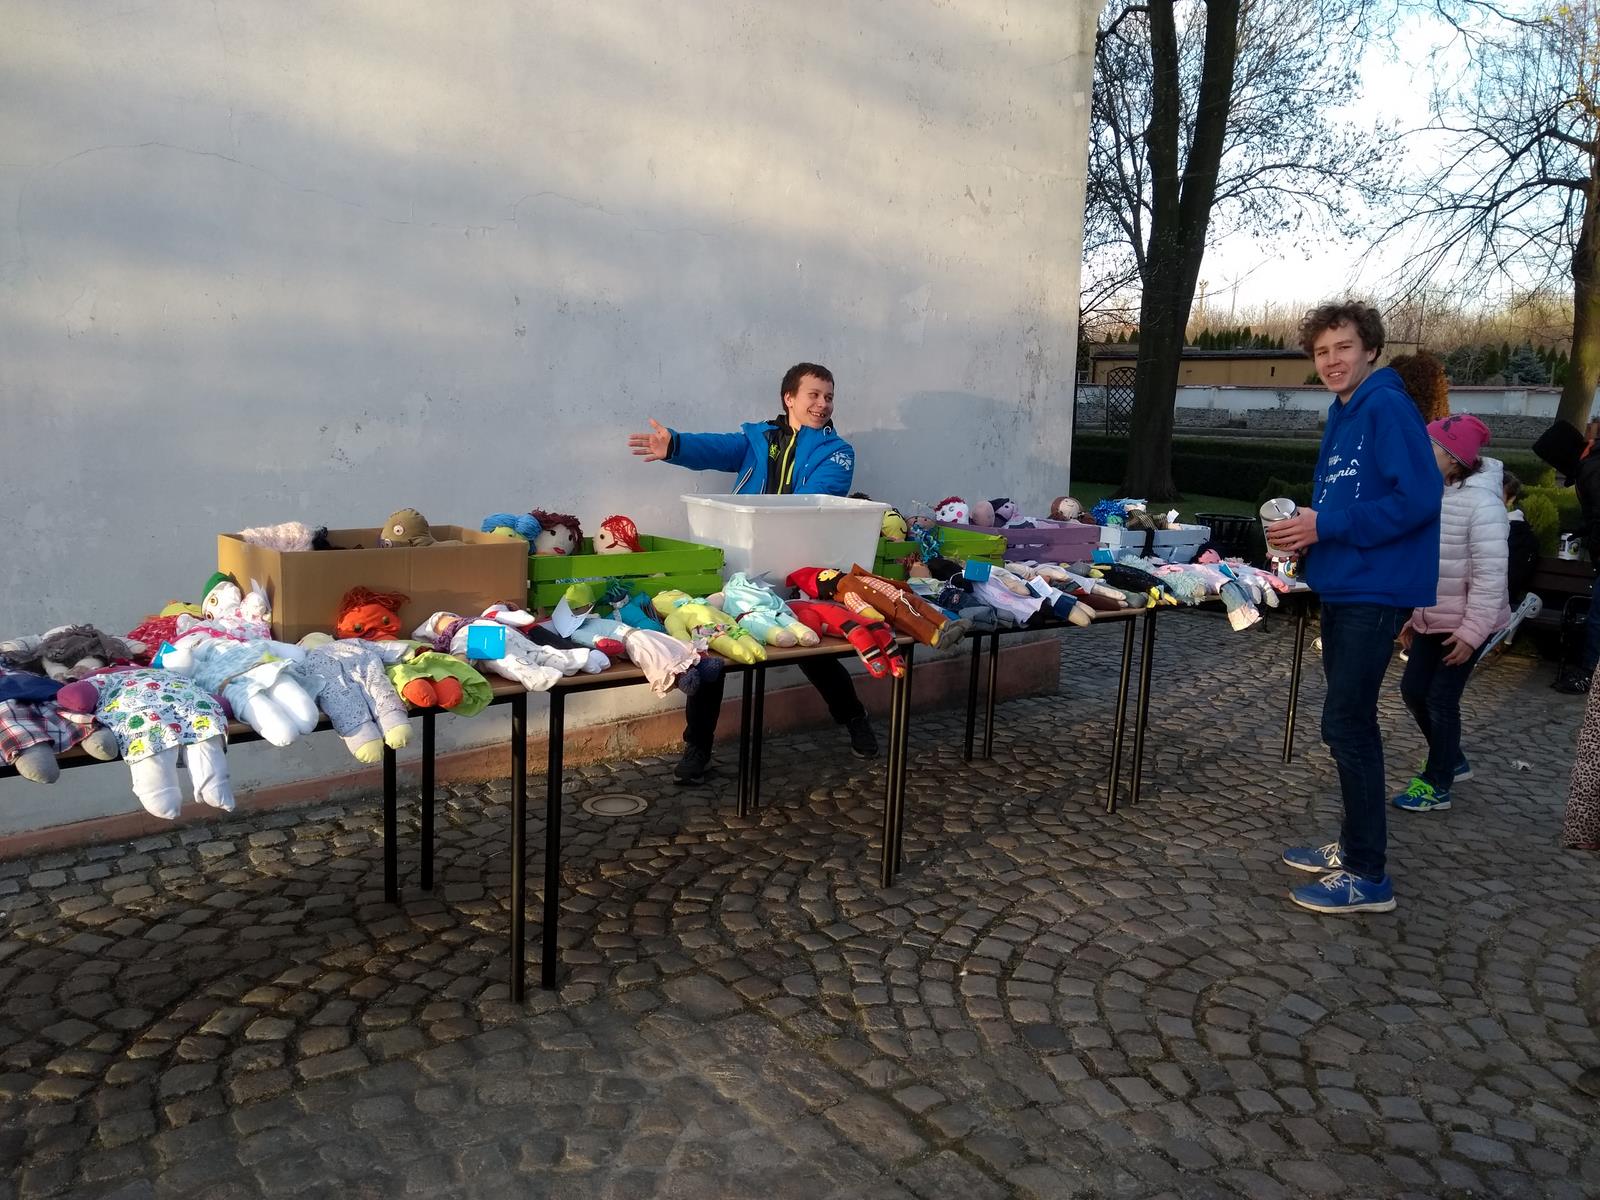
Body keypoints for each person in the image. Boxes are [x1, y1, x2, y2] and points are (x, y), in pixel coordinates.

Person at [1267, 301, 1443, 915]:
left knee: (1347, 724)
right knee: (1346, 723)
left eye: (1343, 347)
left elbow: (1419, 498)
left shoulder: (1386, 406)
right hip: (1346, 583)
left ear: (1370, 348)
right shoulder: (1345, 410)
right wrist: (1305, 532)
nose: (1332, 360)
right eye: (1322, 351)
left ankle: (1368, 875)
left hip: (1376, 587)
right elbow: (1343, 504)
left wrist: (1326, 526)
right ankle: (1353, 846)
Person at [626, 362, 876, 784]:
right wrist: (675, 445)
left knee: (815, 654)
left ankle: (854, 718)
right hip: (741, 571)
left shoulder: (838, 452)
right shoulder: (758, 438)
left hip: (797, 571)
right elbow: (717, 448)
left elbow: (814, 500)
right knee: (711, 649)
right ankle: (698, 748)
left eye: (829, 397)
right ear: (789, 398)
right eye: (814, 395)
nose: (823, 404)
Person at [1391, 414, 1509, 813]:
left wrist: (1473, 634)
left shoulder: (1484, 505)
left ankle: (1437, 783)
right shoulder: (1433, 493)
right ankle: (1452, 757)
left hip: (1465, 624)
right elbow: (1427, 563)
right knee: (1413, 691)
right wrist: (1415, 615)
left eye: (1431, 448)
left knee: (1441, 699)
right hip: (1432, 616)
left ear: (1454, 458)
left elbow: (1491, 577)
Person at [1532, 417, 1600, 693]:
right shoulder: (1593, 463)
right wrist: (1584, 529)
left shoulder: (1592, 468)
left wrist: (1593, 540)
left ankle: (1589, 674)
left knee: (1598, 619)